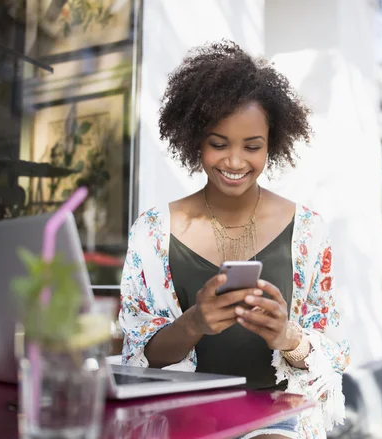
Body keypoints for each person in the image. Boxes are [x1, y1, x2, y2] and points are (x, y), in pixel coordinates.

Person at [119, 40, 350, 439]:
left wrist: (288, 337)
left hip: (276, 415)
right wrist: (194, 322)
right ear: (196, 140)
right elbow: (143, 357)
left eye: (252, 146)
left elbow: (333, 353)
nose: (235, 162)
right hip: (182, 415)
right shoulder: (153, 232)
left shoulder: (308, 230)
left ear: (272, 143)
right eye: (218, 143)